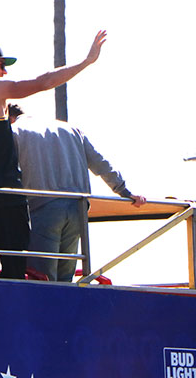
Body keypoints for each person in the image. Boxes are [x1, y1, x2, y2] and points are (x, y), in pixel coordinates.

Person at [0, 31, 107, 278]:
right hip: (4, 198)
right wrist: (85, 63)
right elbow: (42, 82)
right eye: (1, 65)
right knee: (16, 272)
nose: (4, 72)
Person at [9, 104, 146, 282]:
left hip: (43, 209)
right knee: (65, 279)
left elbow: (7, 173)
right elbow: (100, 163)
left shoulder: (15, 131)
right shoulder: (71, 129)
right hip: (77, 208)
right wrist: (125, 191)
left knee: (41, 279)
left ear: (8, 116)